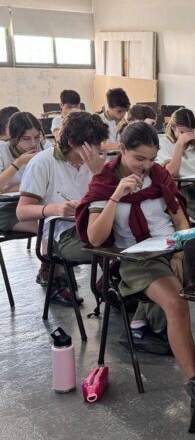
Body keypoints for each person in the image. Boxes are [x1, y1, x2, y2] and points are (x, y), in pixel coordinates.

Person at [75, 121, 195, 408]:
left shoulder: (158, 175)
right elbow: (95, 238)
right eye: (139, 158)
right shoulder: (105, 182)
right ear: (122, 149)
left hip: (173, 249)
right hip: (138, 259)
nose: (145, 166)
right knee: (176, 303)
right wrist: (116, 196)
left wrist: (179, 253)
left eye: (152, 158)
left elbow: (180, 219)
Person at [17, 111, 109, 306]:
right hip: (62, 233)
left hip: (92, 224)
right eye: (92, 145)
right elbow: (22, 211)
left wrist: (100, 173)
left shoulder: (95, 162)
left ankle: (110, 286)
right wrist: (55, 209)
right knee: (113, 246)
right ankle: (109, 286)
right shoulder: (43, 162)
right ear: (73, 143)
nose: (97, 149)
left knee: (130, 236)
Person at [0, 112, 51, 233]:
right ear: (13, 137)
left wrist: (12, 187)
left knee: (57, 223)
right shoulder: (2, 149)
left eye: (37, 137)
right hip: (7, 208)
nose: (33, 143)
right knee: (48, 228)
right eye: (26, 139)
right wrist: (18, 162)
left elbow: (51, 182)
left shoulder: (44, 146)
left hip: (37, 203)